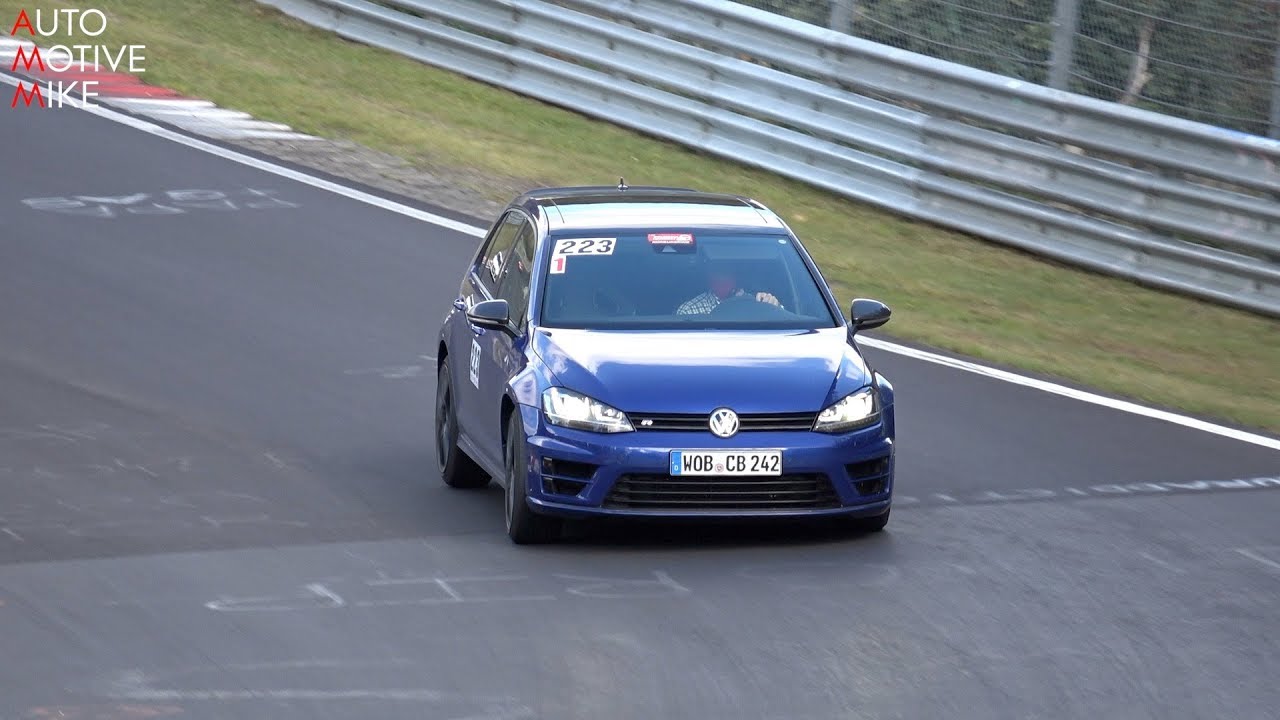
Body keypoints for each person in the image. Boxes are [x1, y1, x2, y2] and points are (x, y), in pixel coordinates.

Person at [675, 262, 781, 315]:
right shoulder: (689, 311)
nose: (723, 277)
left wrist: (773, 308)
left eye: (728, 271)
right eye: (718, 270)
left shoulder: (761, 301)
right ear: (707, 275)